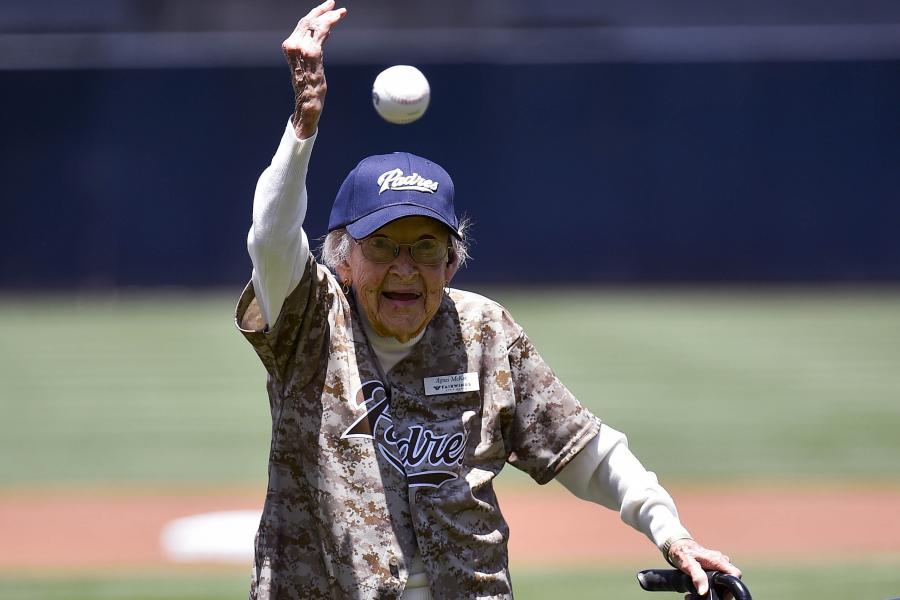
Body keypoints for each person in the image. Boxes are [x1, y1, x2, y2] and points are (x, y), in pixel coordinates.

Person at [235, 2, 741, 599]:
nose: (405, 268)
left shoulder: (484, 331)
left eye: (426, 248)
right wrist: (304, 123)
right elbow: (269, 237)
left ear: (452, 261)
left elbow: (586, 451)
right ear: (342, 259)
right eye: (384, 246)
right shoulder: (311, 321)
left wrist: (670, 531)